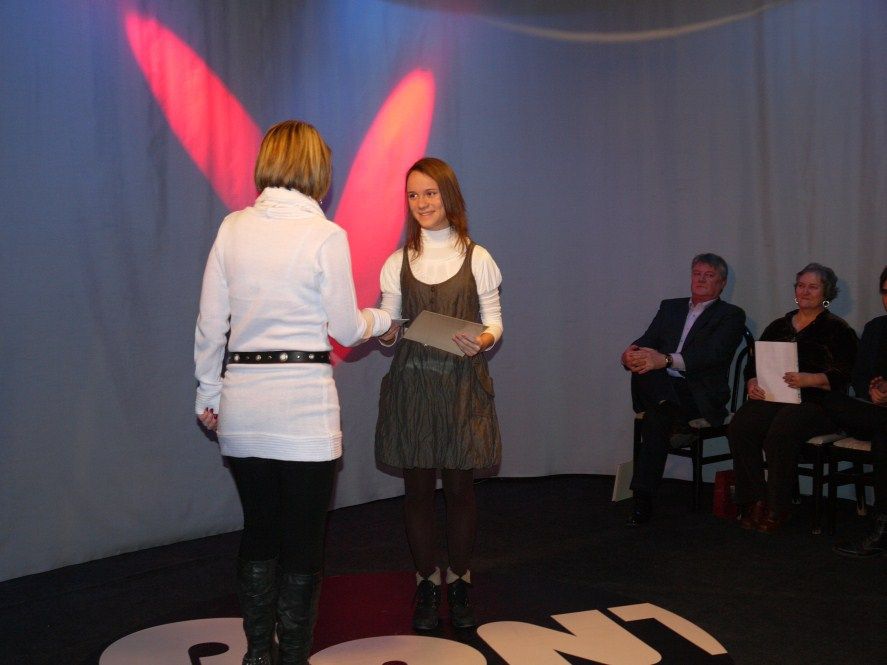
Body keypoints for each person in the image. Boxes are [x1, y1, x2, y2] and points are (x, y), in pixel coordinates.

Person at [194, 120, 392, 665]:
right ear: (317, 168)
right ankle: (293, 656)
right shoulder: (325, 235)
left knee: (259, 530)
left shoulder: (233, 228)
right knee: (304, 541)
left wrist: (208, 393)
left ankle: (258, 653)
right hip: (304, 405)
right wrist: (383, 319)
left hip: (244, 403)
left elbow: (211, 323)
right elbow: (346, 328)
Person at [375, 157, 503, 631]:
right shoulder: (397, 261)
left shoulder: (478, 257)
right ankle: (427, 582)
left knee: (460, 489)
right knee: (417, 492)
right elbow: (390, 326)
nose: (422, 203)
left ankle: (461, 581)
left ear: (449, 196)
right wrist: (385, 332)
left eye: (430, 193)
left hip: (461, 385)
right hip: (413, 386)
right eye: (413, 195)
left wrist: (482, 341)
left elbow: (494, 322)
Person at [729, 263, 858, 534]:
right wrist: (752, 382)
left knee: (781, 431)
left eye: (813, 287)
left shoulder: (837, 329)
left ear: (826, 292)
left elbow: (847, 374)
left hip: (819, 402)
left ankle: (778, 507)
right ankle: (754, 500)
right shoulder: (778, 326)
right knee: (742, 424)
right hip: (775, 398)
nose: (805, 291)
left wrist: (811, 379)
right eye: (801, 286)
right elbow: (753, 365)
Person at [621, 253, 746, 525]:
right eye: (697, 274)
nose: (701, 280)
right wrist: (630, 354)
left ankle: (642, 500)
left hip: (697, 393)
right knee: (647, 372)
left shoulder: (731, 315)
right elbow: (647, 340)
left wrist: (665, 360)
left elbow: (712, 355)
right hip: (661, 386)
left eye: (709, 275)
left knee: (657, 417)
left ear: (722, 283)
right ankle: (673, 415)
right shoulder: (671, 307)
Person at [821, 266, 887, 557]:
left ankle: (883, 528)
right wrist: (874, 391)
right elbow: (859, 377)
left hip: (879, 423)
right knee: (832, 401)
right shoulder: (876, 328)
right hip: (872, 412)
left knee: (885, 437)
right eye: (885, 292)